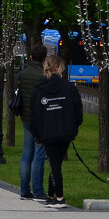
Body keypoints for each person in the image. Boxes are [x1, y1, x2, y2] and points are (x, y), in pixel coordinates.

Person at [28, 54, 82, 208]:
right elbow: (78, 110)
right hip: (65, 132)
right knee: (55, 163)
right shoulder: (69, 87)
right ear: (59, 68)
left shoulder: (38, 89)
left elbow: (34, 114)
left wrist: (38, 134)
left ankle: (59, 197)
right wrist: (73, 129)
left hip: (48, 132)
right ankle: (52, 195)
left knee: (55, 164)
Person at [16, 45, 48, 200]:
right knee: (39, 154)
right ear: (44, 59)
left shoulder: (23, 73)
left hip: (26, 118)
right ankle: (38, 191)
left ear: (30, 57)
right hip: (41, 119)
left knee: (26, 154)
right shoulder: (44, 75)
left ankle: (24, 190)